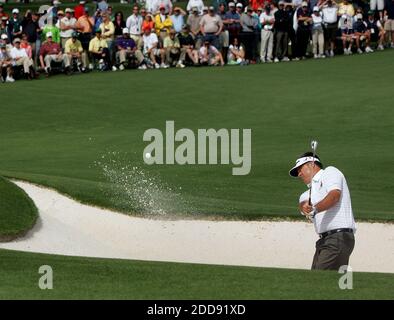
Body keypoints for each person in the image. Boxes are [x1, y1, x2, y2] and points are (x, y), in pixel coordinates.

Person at [289, 151, 356, 271]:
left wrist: (315, 209)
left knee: (317, 279)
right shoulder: (307, 193)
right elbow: (303, 204)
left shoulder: (330, 172)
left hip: (338, 237)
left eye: (300, 169)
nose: (299, 174)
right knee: (321, 282)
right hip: (324, 241)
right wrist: (304, 207)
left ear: (312, 164)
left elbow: (334, 196)